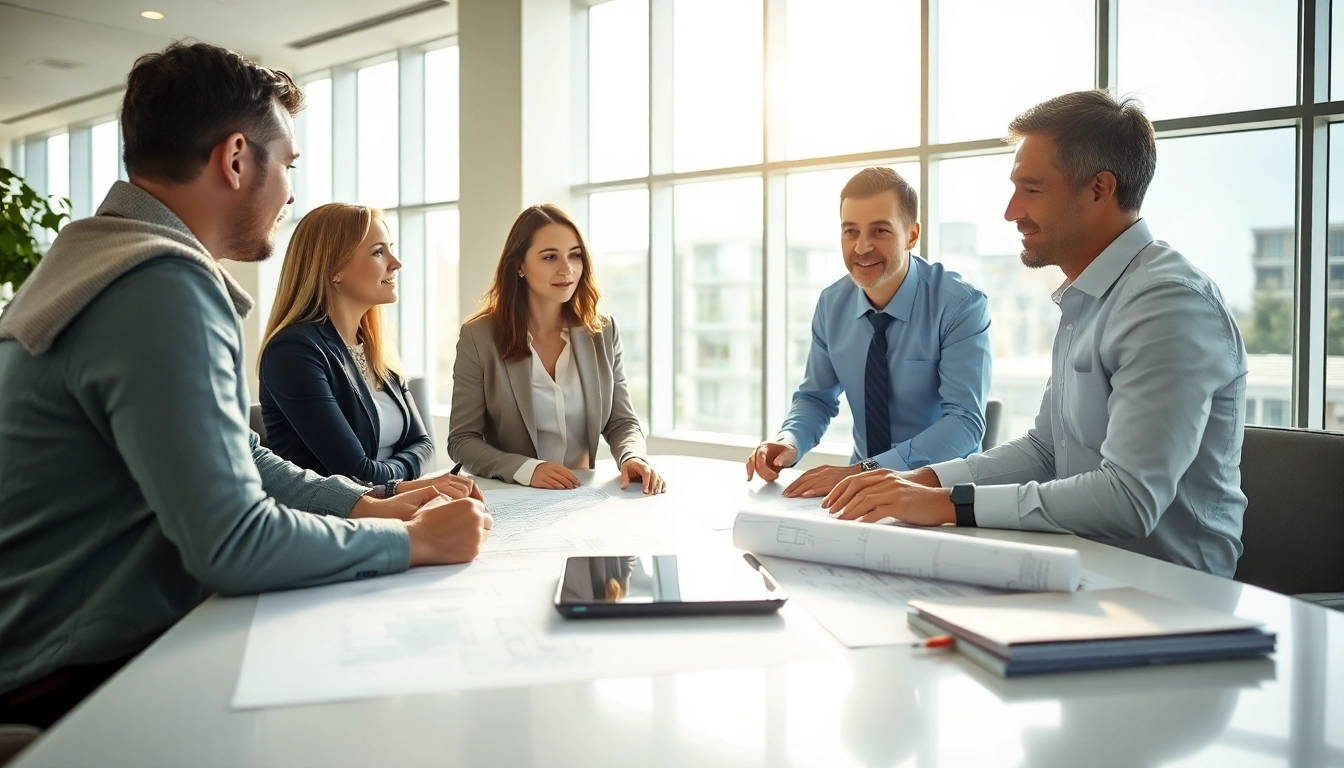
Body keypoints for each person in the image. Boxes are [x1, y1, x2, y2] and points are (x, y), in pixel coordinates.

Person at [0, 42, 489, 728]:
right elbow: (231, 542)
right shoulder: (160, 283)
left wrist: (372, 507)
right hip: (77, 684)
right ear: (235, 159)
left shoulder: (102, 257)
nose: (291, 191)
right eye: (288, 165)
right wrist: (416, 544)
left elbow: (238, 457)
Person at [824, 90, 1248, 577]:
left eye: (1032, 189)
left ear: (1098, 188)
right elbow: (1047, 450)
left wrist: (946, 504)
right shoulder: (1087, 297)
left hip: (1170, 593)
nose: (1011, 211)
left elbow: (1129, 499)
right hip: (1081, 570)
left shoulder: (1167, 302)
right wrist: (916, 480)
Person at [746, 167, 991, 498]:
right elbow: (815, 398)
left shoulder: (960, 305)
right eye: (851, 232)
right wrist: (789, 440)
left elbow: (964, 425)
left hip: (937, 491)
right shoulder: (832, 304)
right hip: (856, 490)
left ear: (912, 235)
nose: (862, 247)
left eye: (880, 231)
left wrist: (866, 470)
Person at [259, 203, 475, 500]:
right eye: (378, 252)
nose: (396, 263)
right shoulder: (294, 351)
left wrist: (396, 482)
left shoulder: (374, 346)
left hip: (392, 510)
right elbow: (357, 474)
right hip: (330, 524)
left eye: (391, 249)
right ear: (335, 268)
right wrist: (406, 483)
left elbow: (425, 446)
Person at [448, 204, 664, 494]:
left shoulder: (602, 331)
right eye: (550, 257)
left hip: (581, 493)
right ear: (519, 266)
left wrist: (632, 456)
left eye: (575, 255)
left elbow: (621, 420)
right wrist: (528, 469)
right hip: (511, 495)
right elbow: (462, 440)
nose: (567, 269)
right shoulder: (479, 336)